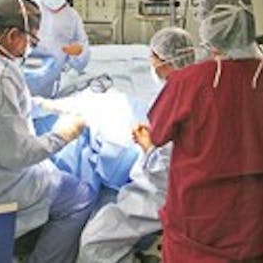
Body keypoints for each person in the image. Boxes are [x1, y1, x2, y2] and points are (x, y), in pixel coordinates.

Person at [147, 0, 263, 263]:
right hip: (258, 219)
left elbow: (158, 134)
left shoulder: (189, 80)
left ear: (209, 25)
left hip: (201, 222)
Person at [0, 0, 95, 262]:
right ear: (13, 35)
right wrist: (64, 134)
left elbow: (9, 106)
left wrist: (47, 105)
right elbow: (18, 155)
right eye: (32, 41)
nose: (31, 48)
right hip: (0, 186)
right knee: (80, 196)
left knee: (56, 169)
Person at [77, 27, 196, 263]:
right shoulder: (192, 87)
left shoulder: (177, 96)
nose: (151, 62)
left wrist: (147, 146)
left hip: (164, 191)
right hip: (175, 182)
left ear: (164, 62)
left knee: (95, 243)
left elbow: (165, 169)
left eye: (153, 57)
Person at [28, 0, 91, 97]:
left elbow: (82, 50)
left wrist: (78, 52)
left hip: (55, 76)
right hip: (27, 71)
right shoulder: (28, 8)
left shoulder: (71, 17)